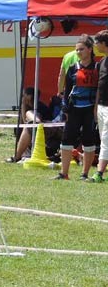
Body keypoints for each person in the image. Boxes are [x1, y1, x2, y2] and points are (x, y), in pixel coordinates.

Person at [56, 35, 99, 180]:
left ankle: (84, 174)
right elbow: (67, 90)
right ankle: (64, 173)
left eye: (81, 49)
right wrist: (65, 108)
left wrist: (97, 110)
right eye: (77, 50)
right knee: (66, 140)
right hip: (74, 109)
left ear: (90, 49)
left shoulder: (98, 67)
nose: (78, 52)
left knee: (89, 141)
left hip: (90, 110)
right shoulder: (73, 68)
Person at [7, 88, 53, 163]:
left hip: (44, 130)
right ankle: (23, 153)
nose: (22, 98)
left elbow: (35, 122)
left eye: (23, 95)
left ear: (29, 96)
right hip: (35, 130)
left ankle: (17, 156)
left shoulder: (39, 107)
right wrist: (23, 107)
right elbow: (23, 122)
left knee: (29, 125)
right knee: (18, 128)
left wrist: (25, 109)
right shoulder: (27, 106)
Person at [93, 31, 108, 182]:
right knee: (104, 140)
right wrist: (96, 106)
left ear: (104, 43)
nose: (95, 45)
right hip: (102, 107)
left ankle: (99, 173)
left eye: (96, 42)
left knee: (106, 140)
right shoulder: (102, 62)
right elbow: (99, 86)